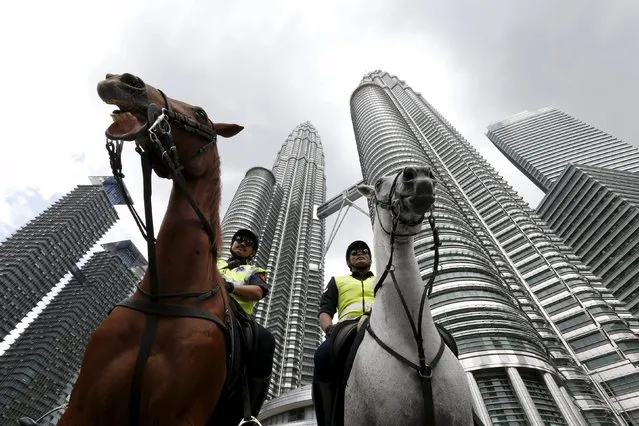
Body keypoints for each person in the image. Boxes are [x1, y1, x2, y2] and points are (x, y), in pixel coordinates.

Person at [312, 240, 375, 426]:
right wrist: (329, 329)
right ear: (348, 262)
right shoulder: (337, 281)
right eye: (354, 252)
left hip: (380, 324)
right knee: (322, 356)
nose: (359, 253)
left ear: (371, 258)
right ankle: (325, 421)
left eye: (364, 251)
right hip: (348, 327)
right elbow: (325, 311)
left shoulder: (382, 279)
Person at [217, 228, 275, 418]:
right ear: (232, 243)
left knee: (267, 340)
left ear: (252, 252)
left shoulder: (254, 270)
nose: (242, 243)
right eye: (239, 239)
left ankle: (250, 414)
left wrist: (231, 287)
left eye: (248, 243)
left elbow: (258, 292)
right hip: (201, 305)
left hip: (236, 315)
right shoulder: (214, 263)